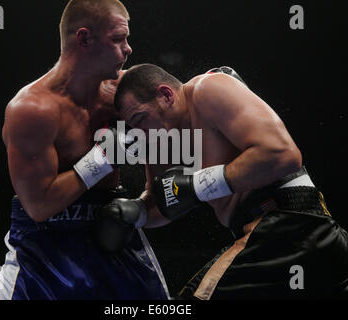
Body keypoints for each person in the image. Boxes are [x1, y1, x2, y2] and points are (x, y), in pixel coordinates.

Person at [98, 63, 348, 299]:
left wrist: (198, 186)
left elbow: (283, 155)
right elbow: (165, 200)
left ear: (166, 95)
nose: (140, 132)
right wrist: (136, 212)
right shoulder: (159, 138)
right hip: (270, 233)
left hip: (288, 222)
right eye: (132, 125)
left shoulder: (210, 90)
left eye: (140, 119)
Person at [0, 1, 169, 300]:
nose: (128, 49)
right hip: (43, 249)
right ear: (84, 39)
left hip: (112, 232)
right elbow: (39, 206)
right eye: (117, 39)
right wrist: (103, 158)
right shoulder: (32, 110)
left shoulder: (123, 93)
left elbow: (175, 119)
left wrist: (146, 200)